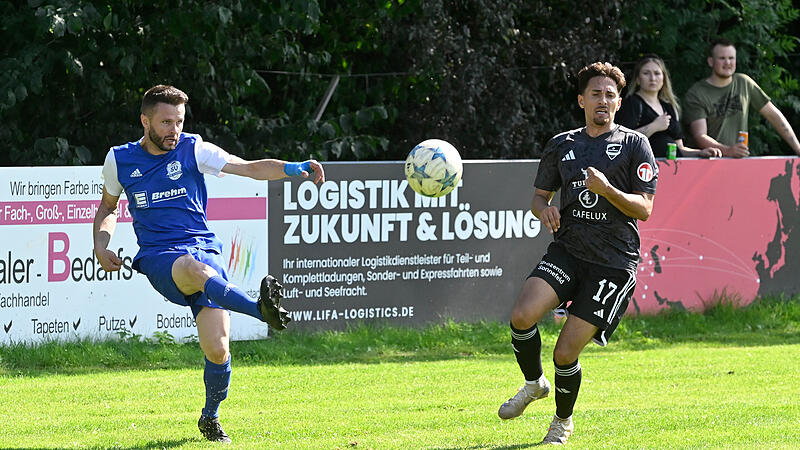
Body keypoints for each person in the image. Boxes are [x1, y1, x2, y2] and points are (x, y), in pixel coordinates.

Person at [92, 85, 325, 443]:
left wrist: (294, 168)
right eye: (166, 122)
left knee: (217, 348)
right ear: (145, 120)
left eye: (179, 122)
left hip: (203, 247)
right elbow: (108, 208)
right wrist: (101, 244)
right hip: (160, 257)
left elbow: (248, 168)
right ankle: (261, 311)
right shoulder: (119, 160)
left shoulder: (193, 148)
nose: (174, 130)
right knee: (194, 270)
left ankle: (210, 417)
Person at [497, 62, 657, 445]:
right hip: (568, 249)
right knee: (521, 315)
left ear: (619, 103)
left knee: (565, 353)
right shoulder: (562, 144)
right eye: (596, 93)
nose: (603, 100)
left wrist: (609, 192)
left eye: (610, 95)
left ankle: (562, 421)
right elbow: (540, 198)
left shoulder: (636, 145)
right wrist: (544, 210)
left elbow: (645, 208)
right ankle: (534, 384)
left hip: (614, 263)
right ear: (582, 100)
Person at [684, 38, 800, 157]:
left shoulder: (744, 82)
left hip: (740, 164)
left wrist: (798, 148)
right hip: (707, 164)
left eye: (731, 58)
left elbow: (774, 116)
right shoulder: (696, 93)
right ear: (710, 61)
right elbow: (699, 135)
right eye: (722, 58)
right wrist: (728, 151)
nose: (727, 63)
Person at [617, 54, 722, 158]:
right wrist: (654, 127)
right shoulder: (632, 104)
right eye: (646, 73)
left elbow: (680, 148)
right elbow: (622, 141)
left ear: (664, 78)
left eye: (657, 73)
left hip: (672, 170)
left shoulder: (668, 107)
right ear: (638, 79)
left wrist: (700, 152)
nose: (652, 78)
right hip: (645, 170)